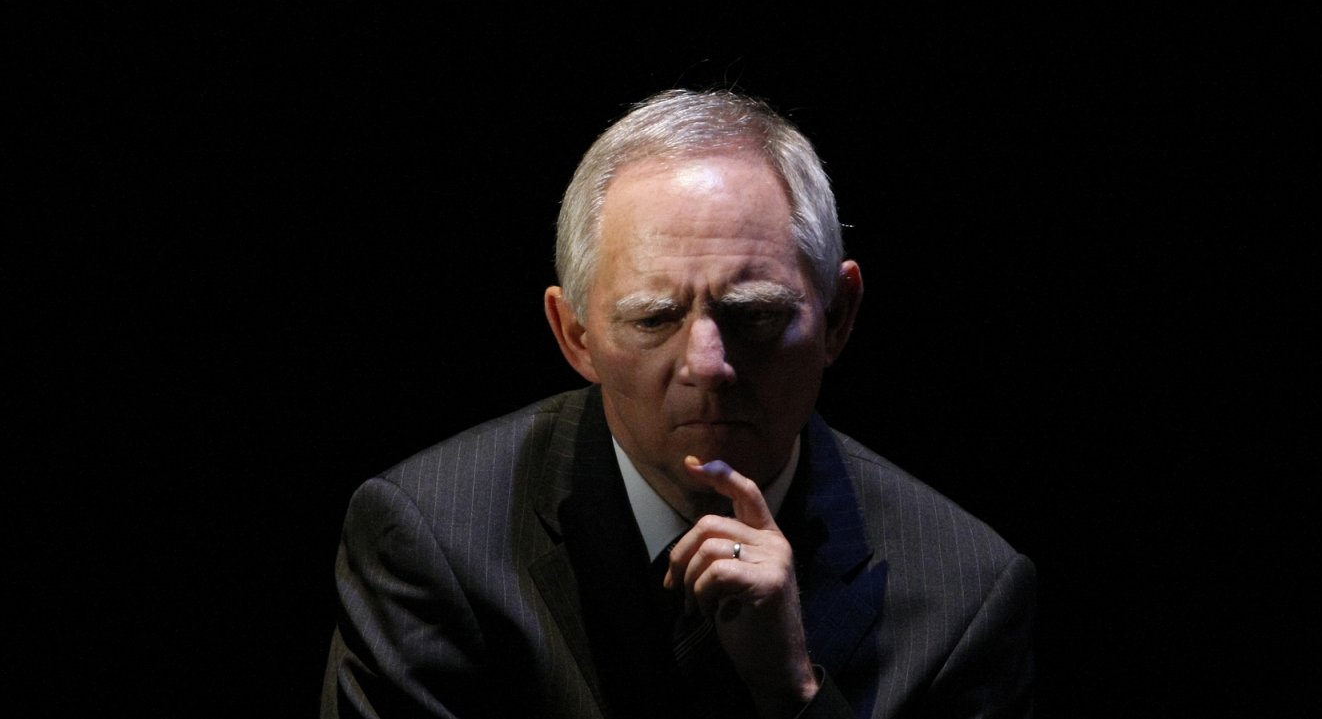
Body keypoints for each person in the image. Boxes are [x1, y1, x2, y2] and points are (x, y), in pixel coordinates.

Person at [321, 88, 1034, 718]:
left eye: (753, 315)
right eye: (655, 318)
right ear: (575, 335)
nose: (708, 365)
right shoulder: (432, 540)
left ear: (838, 316)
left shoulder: (965, 592)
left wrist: (795, 694)